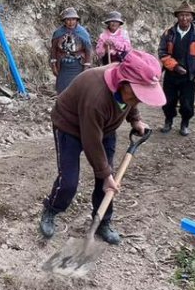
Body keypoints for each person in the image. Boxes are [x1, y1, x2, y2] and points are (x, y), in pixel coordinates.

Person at [38, 51, 163, 244]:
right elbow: (91, 141)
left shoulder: (127, 87)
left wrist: (135, 120)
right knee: (69, 181)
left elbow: (131, 102)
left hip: (104, 128)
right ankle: (51, 209)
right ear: (123, 83)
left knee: (107, 179)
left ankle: (103, 221)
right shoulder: (97, 96)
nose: (139, 99)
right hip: (69, 126)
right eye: (138, 94)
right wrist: (105, 174)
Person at [158, 1, 195, 136]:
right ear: (177, 16)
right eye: (181, 15)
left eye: (187, 15)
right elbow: (162, 53)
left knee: (187, 103)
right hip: (172, 74)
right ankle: (168, 121)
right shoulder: (168, 33)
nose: (184, 18)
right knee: (168, 101)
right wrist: (175, 66)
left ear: (192, 17)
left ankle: (185, 123)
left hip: (190, 75)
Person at [50, 8, 92, 93]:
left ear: (77, 20)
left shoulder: (82, 32)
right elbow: (54, 48)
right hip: (63, 65)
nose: (71, 22)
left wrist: (86, 66)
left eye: (73, 19)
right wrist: (53, 65)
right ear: (64, 21)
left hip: (78, 64)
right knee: (62, 88)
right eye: (68, 20)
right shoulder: (58, 33)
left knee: (77, 88)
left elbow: (88, 49)